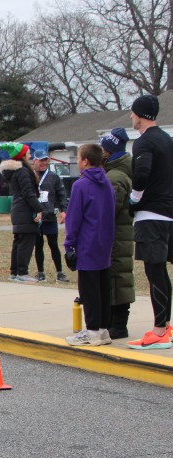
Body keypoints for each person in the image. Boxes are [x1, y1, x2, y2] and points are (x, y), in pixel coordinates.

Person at [126, 94, 173, 349]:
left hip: (151, 215)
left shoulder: (144, 142)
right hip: (168, 214)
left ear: (140, 115)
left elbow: (142, 173)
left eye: (133, 113)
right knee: (162, 272)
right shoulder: (167, 139)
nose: (131, 117)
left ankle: (158, 331)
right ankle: (165, 325)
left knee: (154, 272)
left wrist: (134, 199)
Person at [63, 144, 116, 346]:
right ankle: (103, 329)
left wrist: (69, 244)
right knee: (103, 287)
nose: (77, 161)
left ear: (85, 161)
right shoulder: (107, 183)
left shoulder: (81, 185)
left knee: (89, 288)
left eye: (78, 158)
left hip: (87, 243)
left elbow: (74, 217)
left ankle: (92, 330)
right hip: (105, 241)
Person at [100, 127, 136, 340]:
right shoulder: (117, 173)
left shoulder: (114, 177)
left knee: (117, 278)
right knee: (119, 276)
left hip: (116, 236)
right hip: (120, 234)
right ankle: (116, 323)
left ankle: (119, 325)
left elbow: (109, 210)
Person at [0, 142, 44, 283]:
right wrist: (39, 209)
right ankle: (22, 272)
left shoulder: (15, 171)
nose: (30, 155)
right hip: (24, 210)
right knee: (26, 242)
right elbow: (28, 193)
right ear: (22, 155)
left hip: (17, 209)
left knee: (18, 241)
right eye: (28, 153)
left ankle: (14, 272)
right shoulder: (23, 171)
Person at [31, 151, 70, 282]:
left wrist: (63, 210)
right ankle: (40, 272)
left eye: (45, 160)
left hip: (50, 216)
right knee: (38, 245)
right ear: (34, 161)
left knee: (54, 245)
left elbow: (62, 195)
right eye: (41, 160)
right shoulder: (30, 176)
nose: (44, 163)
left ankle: (60, 272)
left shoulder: (54, 177)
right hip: (35, 217)